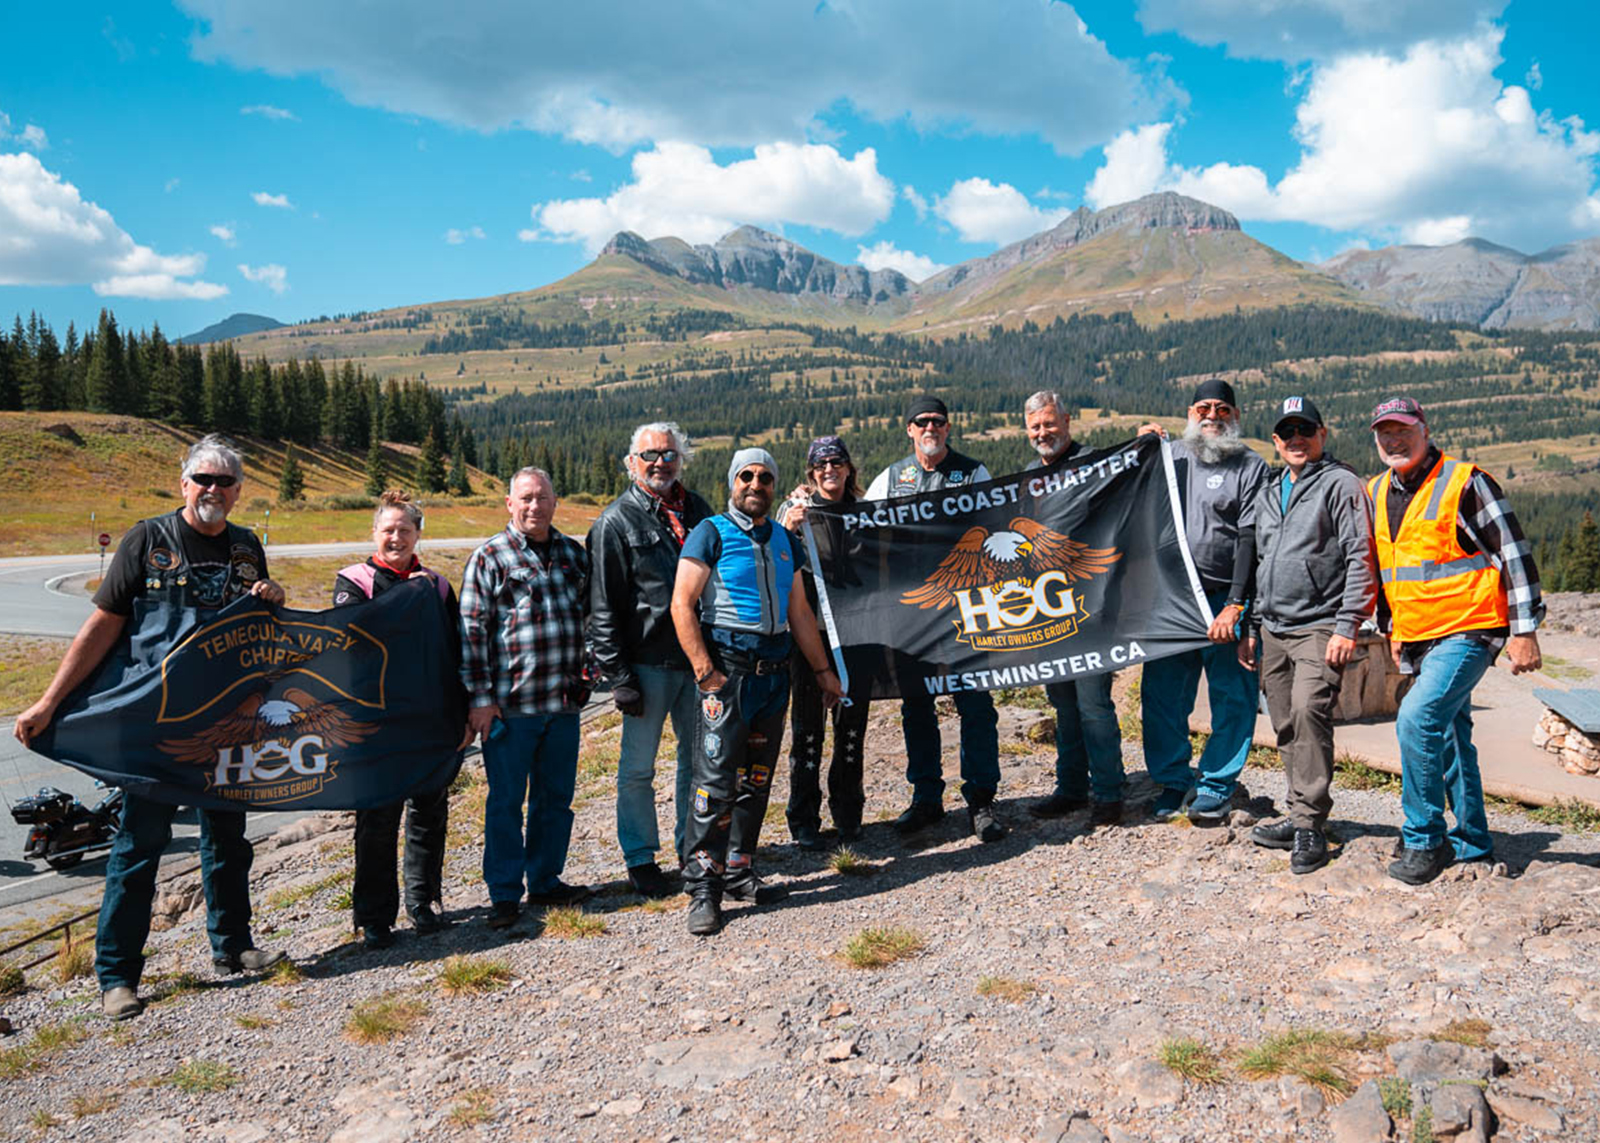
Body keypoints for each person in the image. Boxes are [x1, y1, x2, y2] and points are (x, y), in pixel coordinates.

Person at [13, 435, 287, 1021]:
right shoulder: (147, 539)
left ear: (239, 491)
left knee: (228, 844)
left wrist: (274, 598)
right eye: (203, 479)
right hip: (153, 727)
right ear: (183, 483)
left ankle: (234, 947)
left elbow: (257, 634)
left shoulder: (245, 548)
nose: (213, 490)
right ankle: (118, 977)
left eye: (225, 481)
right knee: (139, 847)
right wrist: (48, 702)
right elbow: (102, 626)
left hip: (224, 726)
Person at [1368, 397, 1544, 884]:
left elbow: (1513, 552)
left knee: (1418, 718)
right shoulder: (1378, 489)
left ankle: (1425, 838)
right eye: (1384, 432)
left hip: (1470, 627)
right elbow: (1388, 572)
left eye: (1403, 430)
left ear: (1424, 429)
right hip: (1418, 632)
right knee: (1448, 733)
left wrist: (1524, 629)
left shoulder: (1466, 481)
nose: (1394, 440)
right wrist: (1393, 631)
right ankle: (1472, 842)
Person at [671, 448, 842, 936]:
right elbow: (682, 604)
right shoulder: (710, 532)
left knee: (757, 777)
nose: (755, 484)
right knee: (714, 779)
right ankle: (704, 883)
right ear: (732, 482)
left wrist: (822, 671)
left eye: (765, 477)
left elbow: (801, 613)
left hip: (775, 673)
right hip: (729, 672)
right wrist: (705, 671)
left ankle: (741, 869)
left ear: (774, 486)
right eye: (746, 476)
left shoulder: (786, 541)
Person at [1241, 398, 1377, 874]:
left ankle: (1310, 827)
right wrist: (1254, 627)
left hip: (1321, 624)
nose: (1296, 439)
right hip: (1273, 626)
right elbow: (1261, 562)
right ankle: (1298, 813)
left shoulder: (1341, 484)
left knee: (1308, 712)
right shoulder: (1270, 488)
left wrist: (1348, 625)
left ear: (1322, 434)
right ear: (1276, 442)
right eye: (1286, 433)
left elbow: (1362, 557)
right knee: (1283, 722)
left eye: (1305, 430)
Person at [864, 395, 1005, 843]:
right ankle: (926, 798)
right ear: (909, 429)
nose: (930, 428)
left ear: (949, 428)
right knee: (917, 706)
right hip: (912, 613)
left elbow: (994, 526)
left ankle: (981, 800)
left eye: (938, 422)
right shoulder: (892, 476)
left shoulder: (973, 471)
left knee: (976, 704)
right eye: (922, 422)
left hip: (966, 607)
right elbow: (859, 524)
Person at [459, 467, 592, 930]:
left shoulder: (574, 554)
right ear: (510, 505)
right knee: (505, 802)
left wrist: (588, 671)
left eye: (543, 498)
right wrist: (479, 699)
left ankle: (546, 881)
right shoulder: (489, 557)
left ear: (556, 503)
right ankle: (503, 893)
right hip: (510, 707)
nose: (535, 506)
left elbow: (591, 619)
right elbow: (472, 634)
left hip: (563, 703)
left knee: (555, 799)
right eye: (526, 499)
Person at [331, 490, 465, 948]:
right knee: (377, 819)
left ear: (417, 535)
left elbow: (454, 651)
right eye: (388, 529)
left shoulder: (438, 586)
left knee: (429, 811)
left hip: (428, 717)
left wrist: (461, 711)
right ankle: (373, 916)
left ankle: (424, 902)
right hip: (373, 723)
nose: (395, 537)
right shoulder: (352, 580)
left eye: (404, 530)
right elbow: (351, 640)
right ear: (374, 533)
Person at [586, 422, 713, 898]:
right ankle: (640, 858)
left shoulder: (698, 510)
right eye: (650, 455)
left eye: (669, 454)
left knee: (696, 762)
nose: (661, 463)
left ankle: (690, 850)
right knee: (638, 767)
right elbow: (601, 606)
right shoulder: (614, 522)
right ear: (632, 462)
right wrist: (618, 677)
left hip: (696, 660)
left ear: (682, 459)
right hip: (645, 664)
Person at [1135, 380, 1271, 822]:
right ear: (1190, 413)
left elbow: (1250, 538)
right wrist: (1137, 450)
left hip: (1222, 598)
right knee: (1163, 695)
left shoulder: (1251, 465)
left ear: (1235, 415)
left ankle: (1215, 784)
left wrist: (1236, 603)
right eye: (1204, 407)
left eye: (1223, 408)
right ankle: (1173, 781)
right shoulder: (1168, 458)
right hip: (1171, 598)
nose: (1213, 415)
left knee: (1233, 694)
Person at [1021, 392, 1127, 828]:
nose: (1043, 433)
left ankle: (1108, 792)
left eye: (1050, 424)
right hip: (1047, 610)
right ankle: (1070, 789)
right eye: (1035, 428)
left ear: (1067, 421)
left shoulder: (1094, 465)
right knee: (1063, 704)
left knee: (1093, 705)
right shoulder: (1028, 476)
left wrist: (1145, 442)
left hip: (1091, 608)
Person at [775, 435, 872, 849]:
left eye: (836, 462)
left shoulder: (866, 512)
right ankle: (803, 816)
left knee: (851, 730)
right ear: (810, 473)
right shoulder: (795, 510)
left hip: (856, 636)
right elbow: (770, 556)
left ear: (849, 468)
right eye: (820, 465)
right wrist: (789, 528)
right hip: (808, 636)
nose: (828, 470)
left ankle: (848, 813)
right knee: (808, 729)